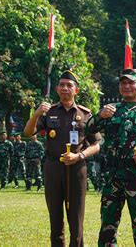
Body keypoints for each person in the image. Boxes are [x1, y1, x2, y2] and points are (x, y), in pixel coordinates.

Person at [86, 69, 136, 246]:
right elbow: (87, 130)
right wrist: (99, 115)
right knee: (108, 227)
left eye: (131, 82)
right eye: (123, 83)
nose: (127, 86)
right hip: (112, 178)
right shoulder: (111, 110)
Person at [24, 69, 101, 247]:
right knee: (55, 216)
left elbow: (96, 144)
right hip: (53, 167)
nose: (65, 88)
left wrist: (79, 155)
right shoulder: (48, 112)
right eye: (61, 85)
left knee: (76, 217)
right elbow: (28, 132)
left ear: (76, 91)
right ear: (57, 89)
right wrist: (36, 114)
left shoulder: (86, 114)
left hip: (77, 169)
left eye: (69, 85)